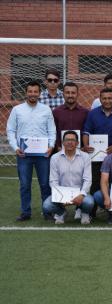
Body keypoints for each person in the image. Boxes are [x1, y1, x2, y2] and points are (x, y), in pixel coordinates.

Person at [7, 80, 56, 221]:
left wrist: (51, 146)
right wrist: (16, 148)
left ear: (39, 93)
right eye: (30, 91)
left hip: (43, 154)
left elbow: (52, 130)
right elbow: (10, 130)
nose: (32, 94)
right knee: (24, 184)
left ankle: (47, 212)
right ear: (26, 92)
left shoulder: (46, 110)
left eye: (35, 91)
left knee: (45, 184)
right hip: (24, 154)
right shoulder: (17, 110)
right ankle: (25, 212)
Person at [42, 131, 94, 225]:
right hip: (62, 193)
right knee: (46, 205)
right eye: (67, 140)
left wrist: (81, 195)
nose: (70, 142)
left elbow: (87, 179)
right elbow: (53, 180)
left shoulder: (85, 157)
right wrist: (61, 197)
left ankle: (84, 213)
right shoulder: (55, 158)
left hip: (79, 193)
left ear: (77, 143)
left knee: (89, 202)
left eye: (73, 140)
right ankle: (62, 213)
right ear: (63, 142)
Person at [52, 82, 89, 151]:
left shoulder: (85, 112)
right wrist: (57, 147)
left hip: (80, 152)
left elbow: (87, 131)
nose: (70, 95)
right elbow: (53, 131)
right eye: (67, 92)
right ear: (63, 94)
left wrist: (85, 146)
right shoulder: (56, 112)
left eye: (73, 93)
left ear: (77, 94)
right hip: (61, 151)